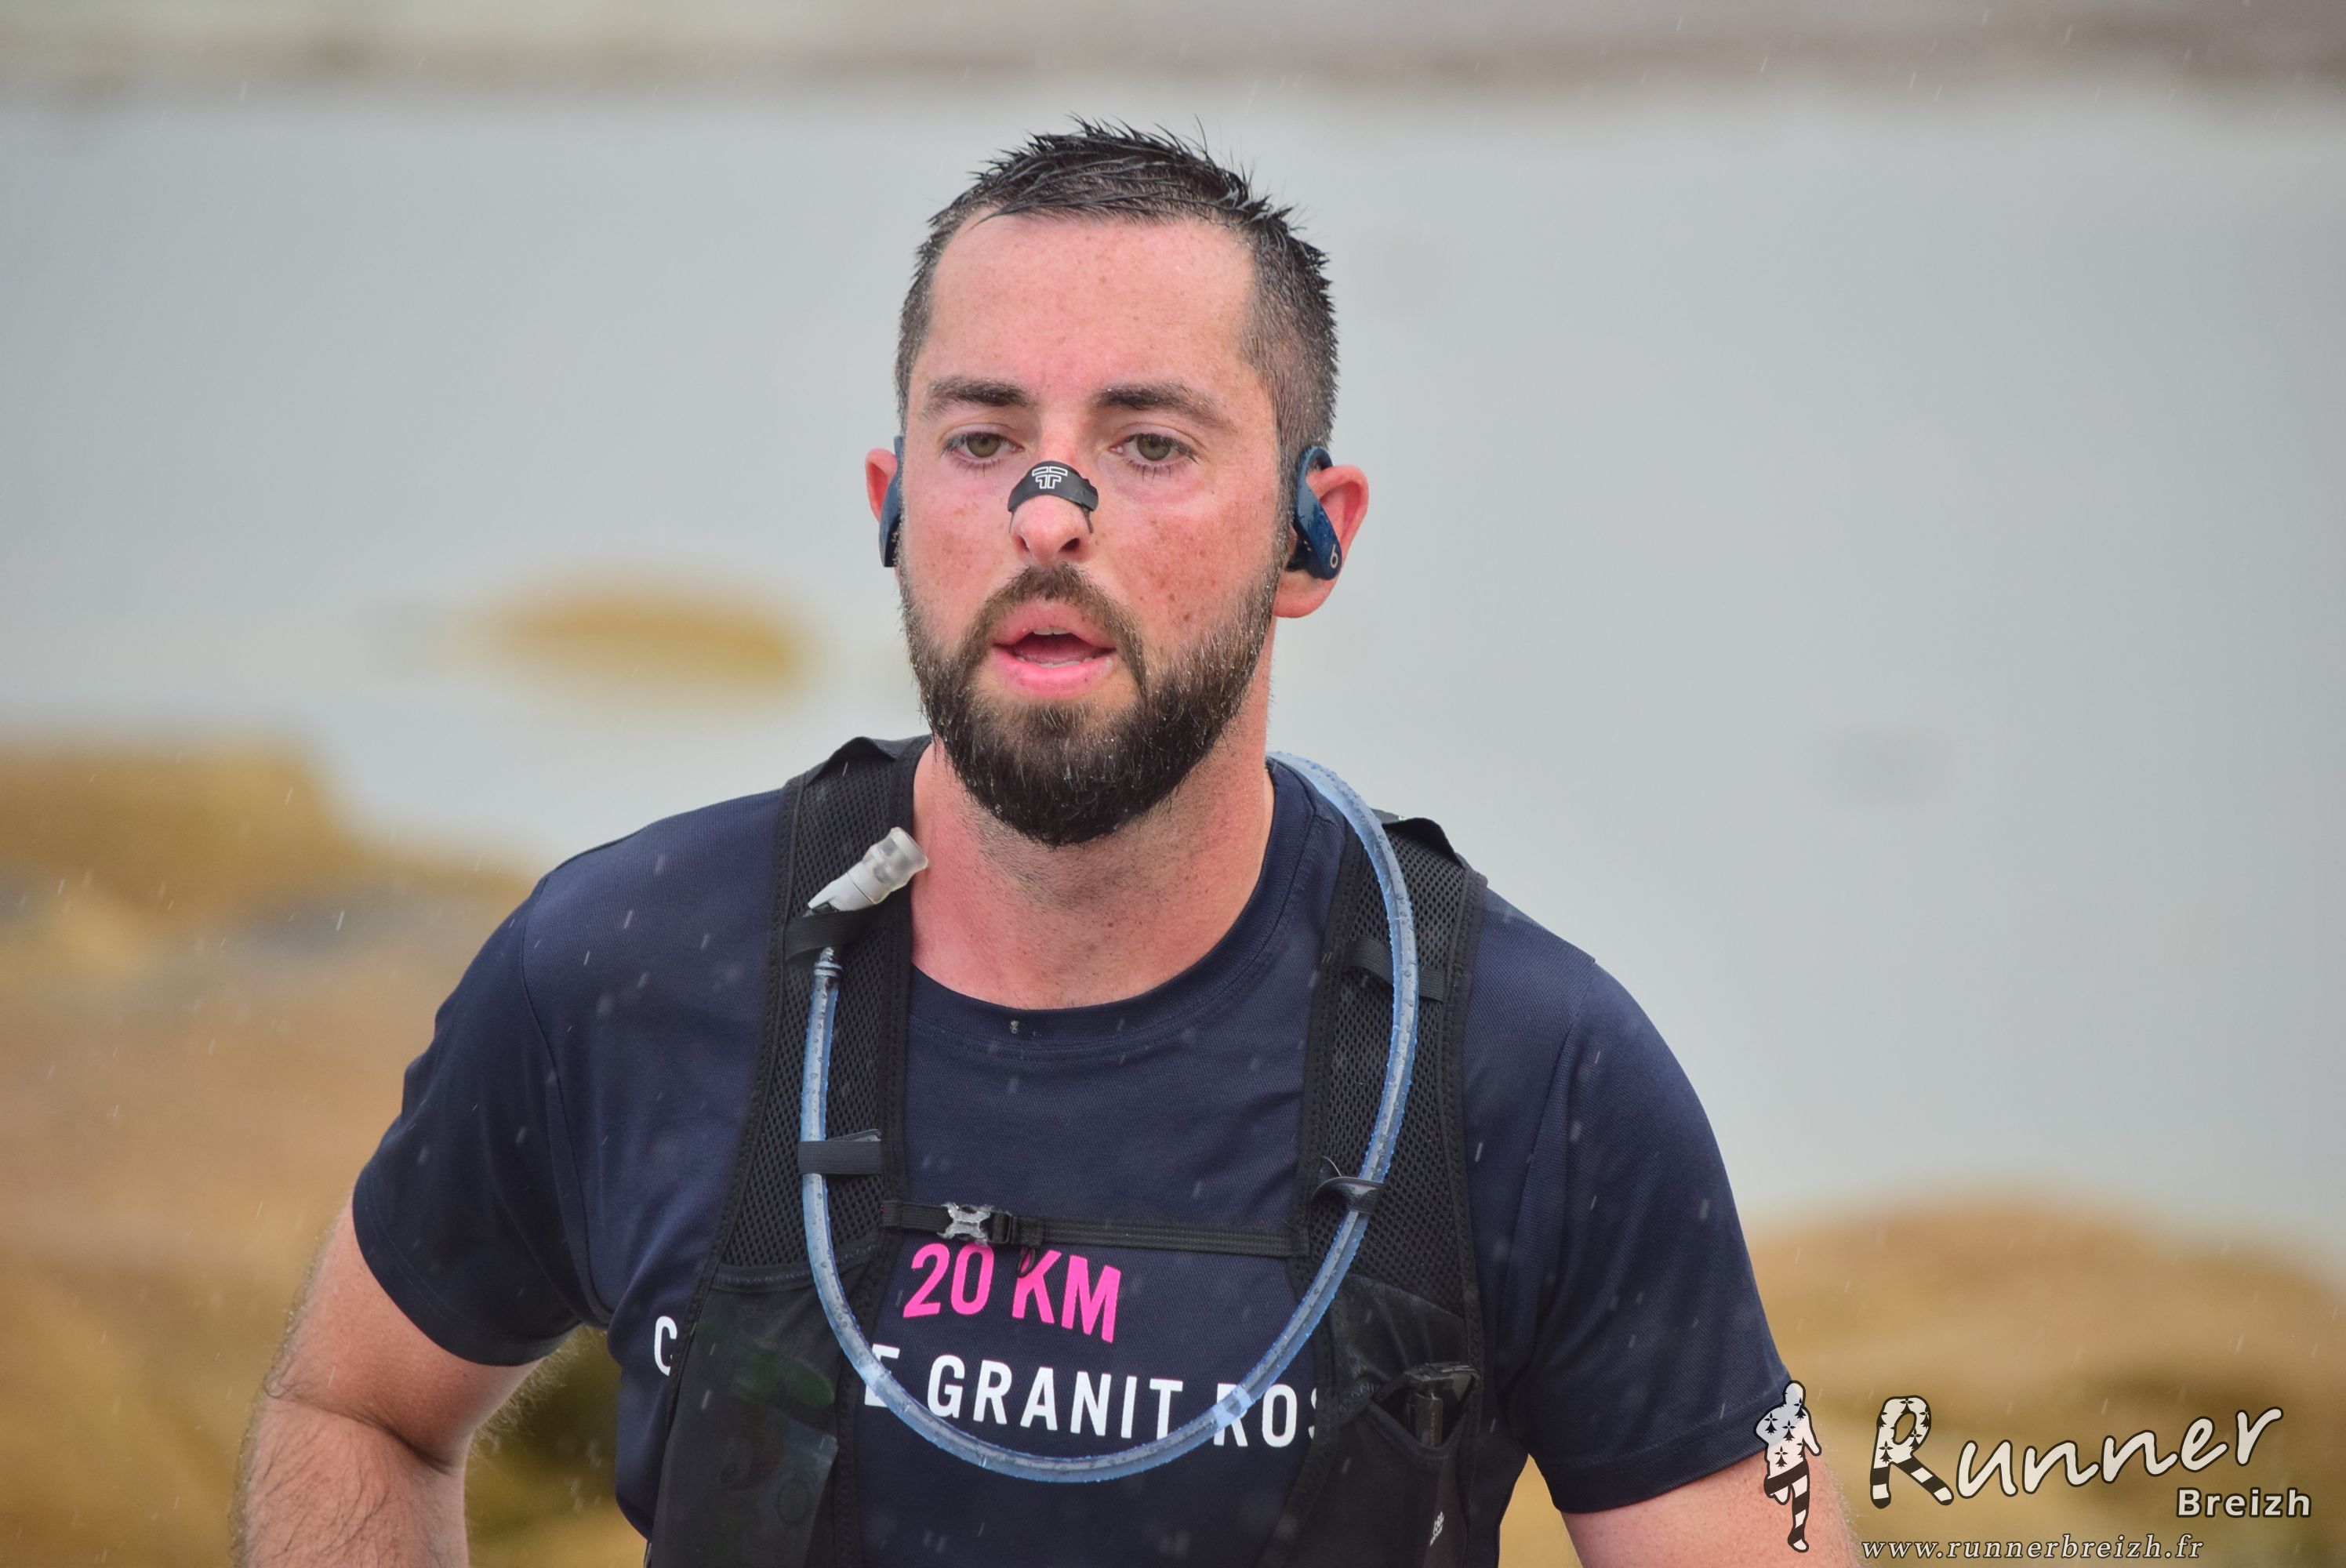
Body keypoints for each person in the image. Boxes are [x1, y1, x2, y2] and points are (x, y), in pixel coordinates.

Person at [234, 122, 1858, 1566]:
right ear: (891, 503)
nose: (1047, 512)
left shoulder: (1531, 1072)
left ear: (1314, 536)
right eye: (982, 438)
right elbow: (355, 1409)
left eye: (1149, 443)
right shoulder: (626, 970)